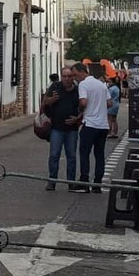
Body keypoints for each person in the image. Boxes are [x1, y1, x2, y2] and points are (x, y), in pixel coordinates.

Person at [41, 67, 81, 191]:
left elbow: (84, 107)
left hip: (72, 129)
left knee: (71, 156)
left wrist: (77, 119)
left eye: (69, 76)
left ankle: (71, 182)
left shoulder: (78, 90)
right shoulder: (55, 87)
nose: (67, 79)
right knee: (54, 155)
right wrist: (52, 99)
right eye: (64, 76)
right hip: (57, 128)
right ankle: (52, 181)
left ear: (73, 77)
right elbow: (44, 103)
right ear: (61, 77)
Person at [72, 62, 109, 193]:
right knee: (99, 155)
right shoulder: (101, 84)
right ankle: (97, 184)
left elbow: (83, 102)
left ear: (83, 72)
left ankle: (84, 181)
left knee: (84, 153)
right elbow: (109, 103)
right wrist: (98, 105)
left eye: (75, 75)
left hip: (90, 124)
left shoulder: (83, 84)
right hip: (103, 125)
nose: (75, 78)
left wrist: (80, 111)